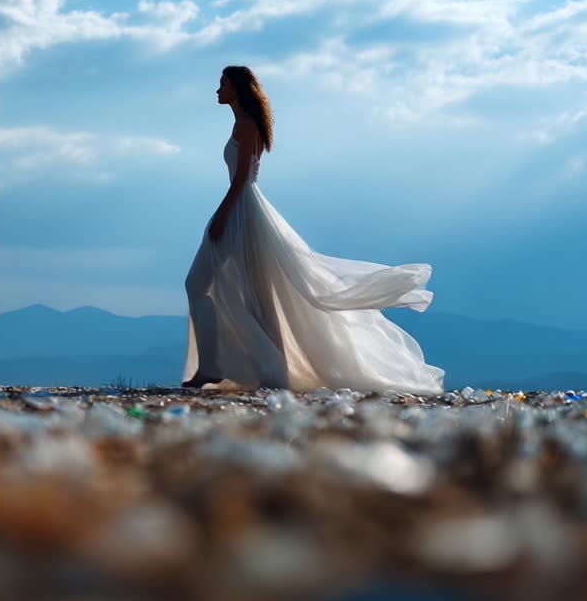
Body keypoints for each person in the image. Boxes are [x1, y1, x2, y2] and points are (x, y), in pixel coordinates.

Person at [182, 66, 445, 395]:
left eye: (222, 84)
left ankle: (229, 369)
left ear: (237, 88)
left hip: (241, 212)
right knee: (236, 290)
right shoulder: (243, 123)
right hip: (243, 210)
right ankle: (230, 367)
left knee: (218, 287)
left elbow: (242, 179)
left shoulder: (247, 125)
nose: (217, 89)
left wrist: (221, 216)